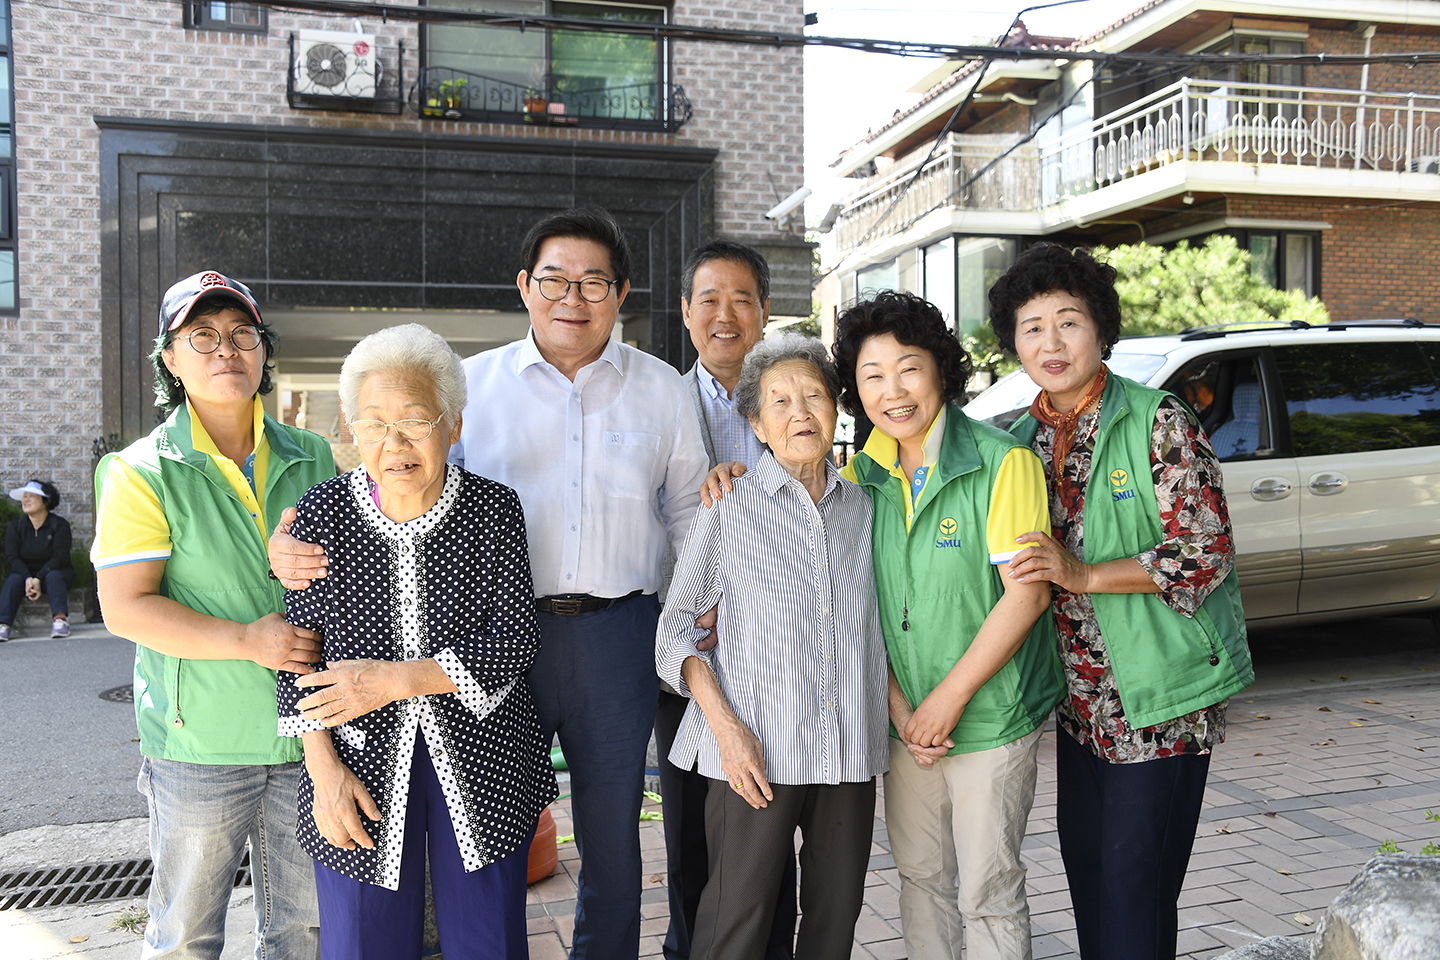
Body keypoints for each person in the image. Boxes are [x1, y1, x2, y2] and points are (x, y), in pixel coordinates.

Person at [270, 207, 710, 960]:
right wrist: (293, 539)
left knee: (610, 839)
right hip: (487, 639)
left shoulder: (663, 390)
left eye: (593, 281)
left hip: (615, 634)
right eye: (553, 279)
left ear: (622, 291)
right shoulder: (471, 385)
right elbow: (398, 483)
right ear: (524, 287)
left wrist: (688, 619)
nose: (572, 295)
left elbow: (689, 515)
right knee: (479, 816)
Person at [989, 243, 1253, 960]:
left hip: (1163, 699)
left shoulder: (1157, 420)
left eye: (1068, 322)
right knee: (1093, 880)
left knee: (1136, 888)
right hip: (1081, 708)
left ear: (1100, 331)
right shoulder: (1018, 441)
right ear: (1012, 341)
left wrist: (1082, 573)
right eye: (1032, 326)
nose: (1051, 342)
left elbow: (1204, 551)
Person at [277, 324, 557, 960]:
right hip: (358, 762)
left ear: (452, 425)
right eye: (372, 423)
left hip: (485, 760)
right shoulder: (322, 514)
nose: (393, 443)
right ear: (350, 431)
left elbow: (514, 634)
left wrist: (396, 680)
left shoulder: (492, 508)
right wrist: (323, 772)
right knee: (359, 941)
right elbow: (299, 653)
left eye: (414, 420)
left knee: (488, 941)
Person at [92, 270, 330, 960]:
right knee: (185, 937)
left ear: (262, 350)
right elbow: (125, 608)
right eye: (202, 336)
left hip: (306, 740)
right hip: (200, 749)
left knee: (304, 933)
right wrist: (246, 639)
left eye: (241, 334)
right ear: (169, 358)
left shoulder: (310, 453)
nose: (226, 350)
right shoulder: (142, 471)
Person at [833, 291, 1059, 960]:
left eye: (908, 367)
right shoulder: (857, 478)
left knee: (987, 890)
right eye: (872, 375)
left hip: (987, 719)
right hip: (909, 729)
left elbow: (1027, 598)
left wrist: (946, 702)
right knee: (921, 879)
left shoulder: (1001, 461)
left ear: (941, 370)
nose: (892, 390)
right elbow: (857, 611)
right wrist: (905, 712)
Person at [657, 333, 889, 960]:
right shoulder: (726, 508)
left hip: (845, 749)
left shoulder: (864, 508)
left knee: (833, 925)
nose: (800, 413)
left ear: (836, 410)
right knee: (736, 923)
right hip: (753, 750)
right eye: (779, 402)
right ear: (756, 424)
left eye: (814, 396)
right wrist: (727, 731)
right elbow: (675, 633)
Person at [658, 239, 797, 960]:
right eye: (708, 299)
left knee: (770, 823)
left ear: (765, 311)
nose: (724, 314)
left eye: (742, 298)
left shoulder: (795, 395)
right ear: (686, 313)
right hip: (690, 652)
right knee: (690, 835)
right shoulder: (658, 398)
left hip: (776, 653)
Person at [1, 480, 73, 640]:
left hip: (55, 572)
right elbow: (12, 557)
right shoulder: (16, 526)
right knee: (13, 580)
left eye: (31, 496)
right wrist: (28, 578)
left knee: (54, 576)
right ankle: (3, 624)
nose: (25, 500)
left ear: (46, 501)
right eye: (24, 496)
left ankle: (60, 621)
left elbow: (59, 557)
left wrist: (38, 578)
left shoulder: (59, 525)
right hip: (24, 574)